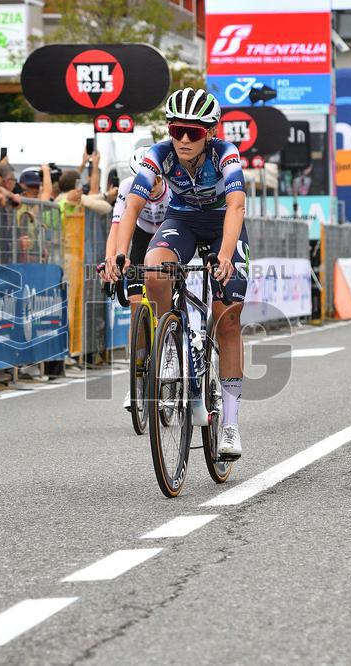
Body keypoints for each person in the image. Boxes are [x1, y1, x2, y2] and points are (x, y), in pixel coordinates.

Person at [105, 88, 248, 460]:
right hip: (182, 221)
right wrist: (120, 253)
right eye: (177, 129)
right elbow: (132, 204)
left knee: (227, 318)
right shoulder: (158, 154)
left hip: (222, 225)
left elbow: (236, 206)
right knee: (154, 270)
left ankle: (230, 424)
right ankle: (171, 342)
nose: (184, 138)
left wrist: (226, 255)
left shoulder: (226, 155)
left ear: (210, 132)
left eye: (194, 132)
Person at [104, 146, 171, 410]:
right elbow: (118, 226)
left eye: (154, 180)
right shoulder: (128, 186)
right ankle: (138, 381)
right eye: (144, 181)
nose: (150, 187)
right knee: (136, 304)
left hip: (169, 236)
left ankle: (171, 360)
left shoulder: (173, 184)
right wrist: (113, 258)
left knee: (167, 297)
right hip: (142, 238)